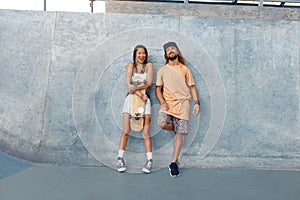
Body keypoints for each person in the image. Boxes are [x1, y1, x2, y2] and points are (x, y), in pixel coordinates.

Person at [156, 42, 200, 177]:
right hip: (168, 104)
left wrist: (197, 103)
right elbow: (158, 89)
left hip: (183, 104)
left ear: (177, 52)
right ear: (165, 54)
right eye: (168, 49)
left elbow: (192, 86)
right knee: (162, 123)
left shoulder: (185, 69)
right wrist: (162, 102)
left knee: (180, 134)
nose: (171, 51)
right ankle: (177, 127)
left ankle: (174, 162)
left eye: (173, 48)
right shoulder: (162, 70)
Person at [117, 45, 154, 173]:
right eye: (139, 53)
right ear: (135, 54)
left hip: (145, 102)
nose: (141, 55)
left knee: (145, 133)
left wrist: (136, 89)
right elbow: (128, 86)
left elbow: (148, 82)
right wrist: (139, 94)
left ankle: (149, 161)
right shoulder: (130, 66)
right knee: (126, 131)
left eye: (143, 53)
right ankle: (120, 159)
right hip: (131, 100)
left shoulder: (149, 66)